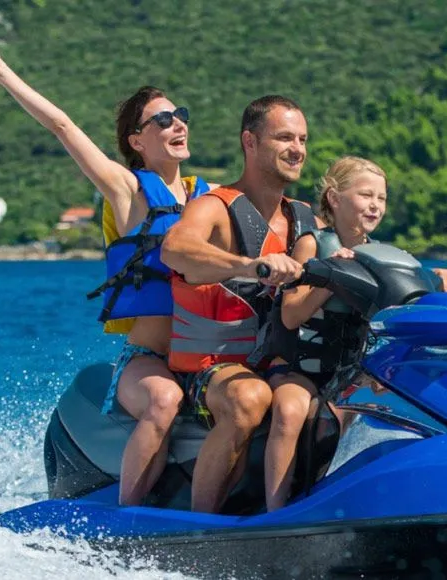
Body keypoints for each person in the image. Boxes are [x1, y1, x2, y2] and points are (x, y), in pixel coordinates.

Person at [0, 31, 209, 507]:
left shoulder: (209, 200)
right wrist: (3, 73)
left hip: (205, 358)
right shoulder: (127, 190)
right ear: (137, 140)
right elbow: (63, 126)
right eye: (163, 119)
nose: (178, 124)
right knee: (164, 402)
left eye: (181, 115)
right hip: (148, 363)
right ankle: (130, 517)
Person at [255, 156, 447, 510]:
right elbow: (290, 316)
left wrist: (440, 292)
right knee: (291, 410)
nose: (375, 205)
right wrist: (334, 276)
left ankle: (321, 503)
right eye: (366, 195)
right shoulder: (313, 243)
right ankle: (276, 514)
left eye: (381, 198)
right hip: (295, 367)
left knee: (334, 426)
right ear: (335, 198)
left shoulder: (382, 257)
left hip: (343, 375)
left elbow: (397, 320)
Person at [159, 95, 318, 514]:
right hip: (209, 370)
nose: (297, 148)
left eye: (302, 138)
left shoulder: (303, 218)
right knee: (250, 397)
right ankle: (201, 530)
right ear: (250, 141)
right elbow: (174, 249)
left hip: (277, 363)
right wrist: (250, 266)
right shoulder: (214, 207)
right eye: (284, 137)